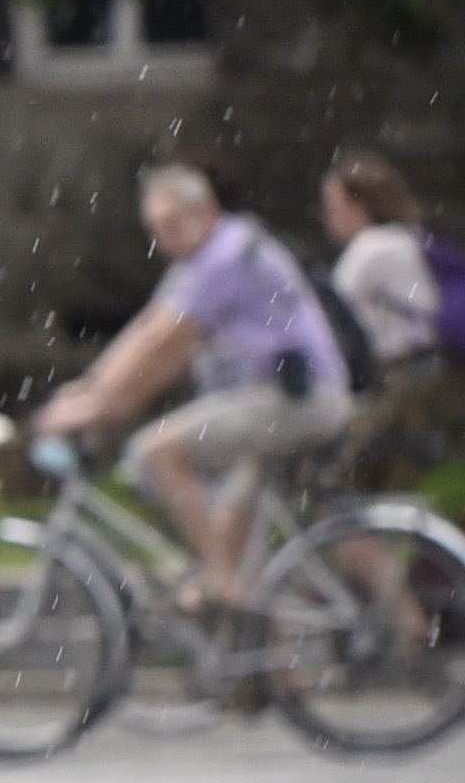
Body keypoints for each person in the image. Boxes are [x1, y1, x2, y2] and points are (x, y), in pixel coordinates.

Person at [33, 162, 345, 594]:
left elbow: (168, 342)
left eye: (172, 225)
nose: (164, 240)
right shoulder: (207, 254)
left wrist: (100, 407)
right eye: (156, 230)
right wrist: (90, 386)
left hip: (298, 400)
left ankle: (217, 580)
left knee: (156, 452)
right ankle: (246, 613)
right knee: (237, 543)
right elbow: (147, 328)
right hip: (279, 398)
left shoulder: (224, 256)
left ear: (207, 211)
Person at [322, 151, 456, 489]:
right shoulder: (406, 237)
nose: (327, 218)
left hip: (404, 374)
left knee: (347, 476)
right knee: (404, 471)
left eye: (333, 207)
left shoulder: (369, 249)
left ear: (360, 205)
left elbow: (327, 318)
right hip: (434, 369)